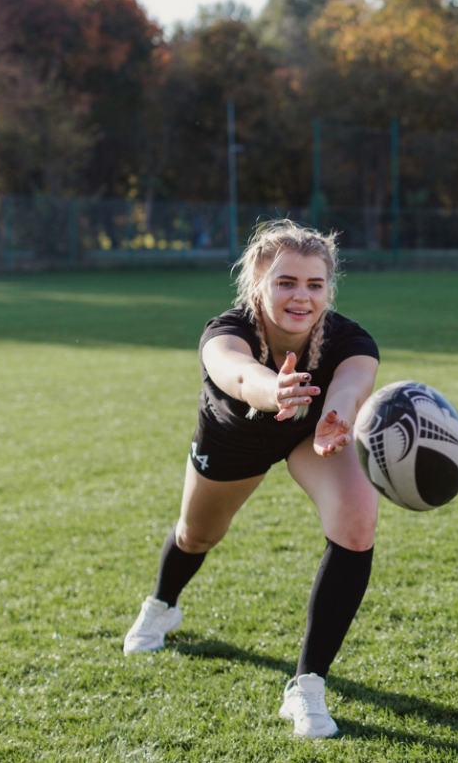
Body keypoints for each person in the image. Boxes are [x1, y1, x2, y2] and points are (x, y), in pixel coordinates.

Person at [123, 220, 381, 739]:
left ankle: (307, 686)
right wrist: (276, 390)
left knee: (357, 520)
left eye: (314, 284)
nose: (301, 297)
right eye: (286, 282)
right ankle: (162, 606)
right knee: (197, 534)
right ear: (258, 282)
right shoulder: (226, 331)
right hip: (233, 439)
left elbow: (352, 385)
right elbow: (238, 375)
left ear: (330, 288)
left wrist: (335, 415)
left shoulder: (352, 339)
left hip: (313, 435)